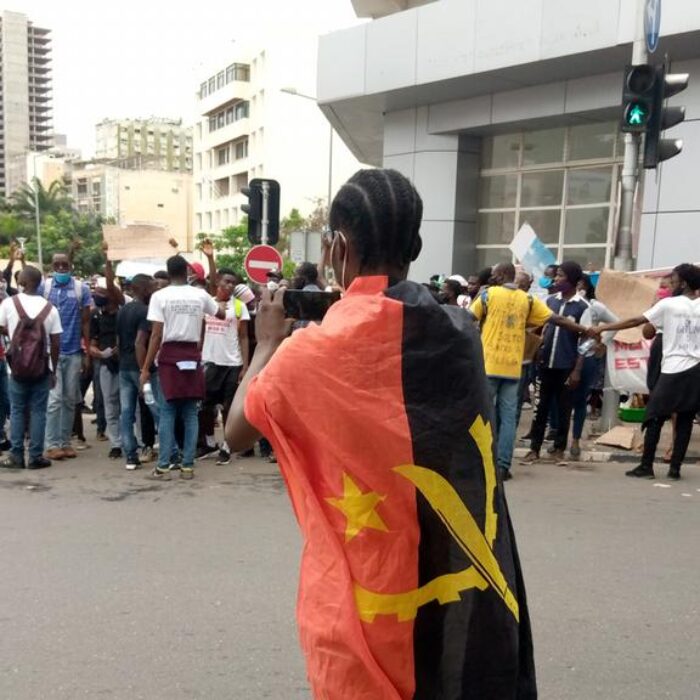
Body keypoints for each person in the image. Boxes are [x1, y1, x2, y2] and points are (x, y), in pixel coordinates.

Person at [226, 169, 536, 699]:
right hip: (453, 606)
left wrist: (265, 345)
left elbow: (235, 434)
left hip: (363, 606)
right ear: (414, 246)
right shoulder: (458, 334)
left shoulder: (312, 352)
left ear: (337, 248)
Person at [470, 262, 582, 479]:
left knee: (485, 415)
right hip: (513, 368)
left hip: (489, 365)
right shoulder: (528, 299)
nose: (492, 277)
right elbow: (556, 319)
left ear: (502, 275)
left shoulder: (488, 295)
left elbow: (468, 318)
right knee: (509, 418)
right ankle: (503, 466)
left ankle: (483, 464)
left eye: (494, 274)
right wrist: (584, 329)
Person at [591, 263, 700, 480]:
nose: (672, 285)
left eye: (675, 281)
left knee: (654, 416)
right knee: (686, 418)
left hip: (673, 368)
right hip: (696, 369)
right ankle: (675, 469)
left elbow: (636, 321)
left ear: (684, 283)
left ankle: (646, 465)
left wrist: (604, 327)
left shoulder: (668, 304)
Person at [140, 255, 225, 480]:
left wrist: (146, 368)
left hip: (170, 354)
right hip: (192, 353)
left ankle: (164, 466)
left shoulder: (160, 296)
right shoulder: (200, 294)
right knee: (190, 412)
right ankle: (188, 466)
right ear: (187, 271)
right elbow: (221, 314)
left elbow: (156, 334)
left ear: (168, 273)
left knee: (168, 411)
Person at [521, 261, 591, 464]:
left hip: (566, 365)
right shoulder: (549, 301)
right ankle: (534, 448)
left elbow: (585, 341)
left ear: (571, 281)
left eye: (560, 276)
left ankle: (559, 449)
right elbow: (539, 327)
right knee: (539, 407)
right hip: (544, 362)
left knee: (563, 409)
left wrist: (576, 370)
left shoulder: (582, 306)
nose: (556, 279)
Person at [0, 266, 62, 469]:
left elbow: (3, 327)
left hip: (16, 368)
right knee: (38, 411)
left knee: (17, 410)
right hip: (41, 368)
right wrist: (52, 368)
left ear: (22, 282)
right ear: (39, 283)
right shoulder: (50, 309)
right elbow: (55, 343)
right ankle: (36, 456)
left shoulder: (9, 303)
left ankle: (16, 455)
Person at [43, 252, 92, 461]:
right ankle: (51, 444)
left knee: (70, 399)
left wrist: (87, 350)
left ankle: (65, 442)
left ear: (71, 265)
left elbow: (86, 322)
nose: (61, 268)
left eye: (65, 264)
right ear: (52, 266)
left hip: (73, 351)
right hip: (50, 351)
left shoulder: (82, 289)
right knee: (54, 399)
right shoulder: (43, 288)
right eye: (57, 265)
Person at [198, 268, 250, 464]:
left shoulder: (239, 307)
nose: (229, 285)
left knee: (228, 407)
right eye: (226, 281)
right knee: (205, 406)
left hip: (231, 363)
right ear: (218, 282)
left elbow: (243, 337)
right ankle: (209, 443)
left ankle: (227, 446)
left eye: (233, 283)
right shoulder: (208, 304)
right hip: (210, 362)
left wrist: (245, 366)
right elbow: (202, 334)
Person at [567, 275, 618, 459]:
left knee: (580, 400)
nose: (579, 289)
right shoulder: (564, 304)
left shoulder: (595, 307)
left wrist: (602, 342)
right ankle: (558, 438)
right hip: (565, 356)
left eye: (582, 285)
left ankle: (575, 440)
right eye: (576, 284)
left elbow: (615, 322)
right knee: (561, 400)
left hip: (586, 357)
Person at [117, 274, 155, 470]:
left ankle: (130, 456)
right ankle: (170, 451)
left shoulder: (122, 310)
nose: (154, 290)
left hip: (123, 366)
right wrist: (144, 370)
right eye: (151, 287)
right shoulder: (145, 312)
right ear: (144, 289)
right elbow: (140, 342)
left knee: (126, 412)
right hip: (138, 366)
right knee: (156, 409)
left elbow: (119, 340)